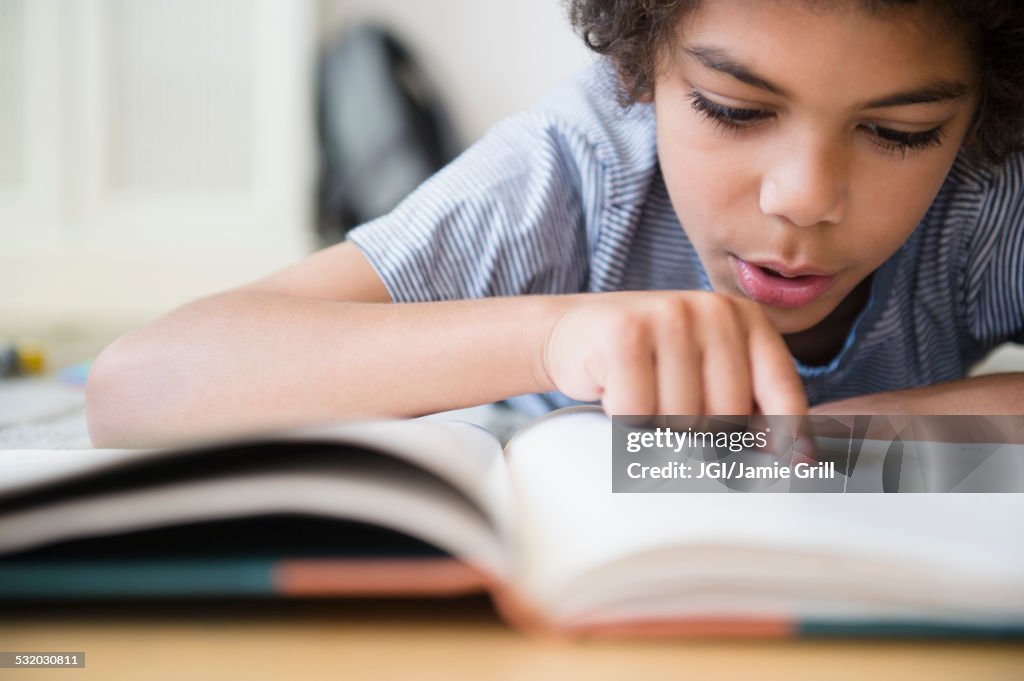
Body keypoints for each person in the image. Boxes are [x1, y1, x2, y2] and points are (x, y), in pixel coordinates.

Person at [86, 0, 1024, 447]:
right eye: (735, 110)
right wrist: (555, 336)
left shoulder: (986, 187)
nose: (803, 196)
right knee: (417, 221)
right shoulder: (579, 166)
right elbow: (135, 385)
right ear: (640, 69)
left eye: (900, 132)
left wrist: (864, 430)